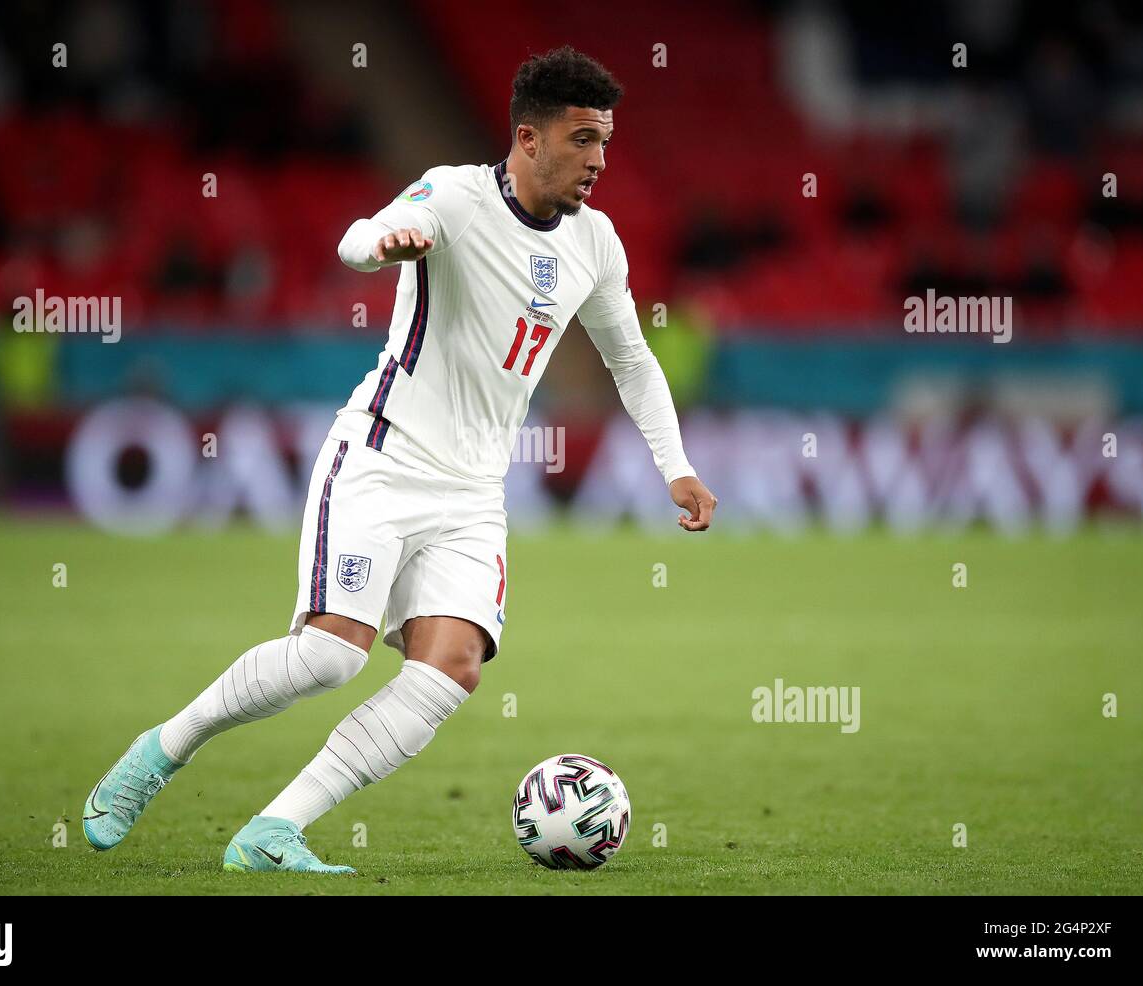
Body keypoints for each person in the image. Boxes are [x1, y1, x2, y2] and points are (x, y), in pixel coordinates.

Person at [82, 45, 717, 874]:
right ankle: (164, 748)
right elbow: (356, 240)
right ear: (530, 139)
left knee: (453, 666)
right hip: (381, 459)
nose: (599, 160)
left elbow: (630, 361)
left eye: (605, 141)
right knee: (329, 655)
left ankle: (273, 831)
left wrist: (676, 464)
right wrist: (388, 245)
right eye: (584, 139)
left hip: (473, 493)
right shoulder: (453, 193)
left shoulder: (596, 244)